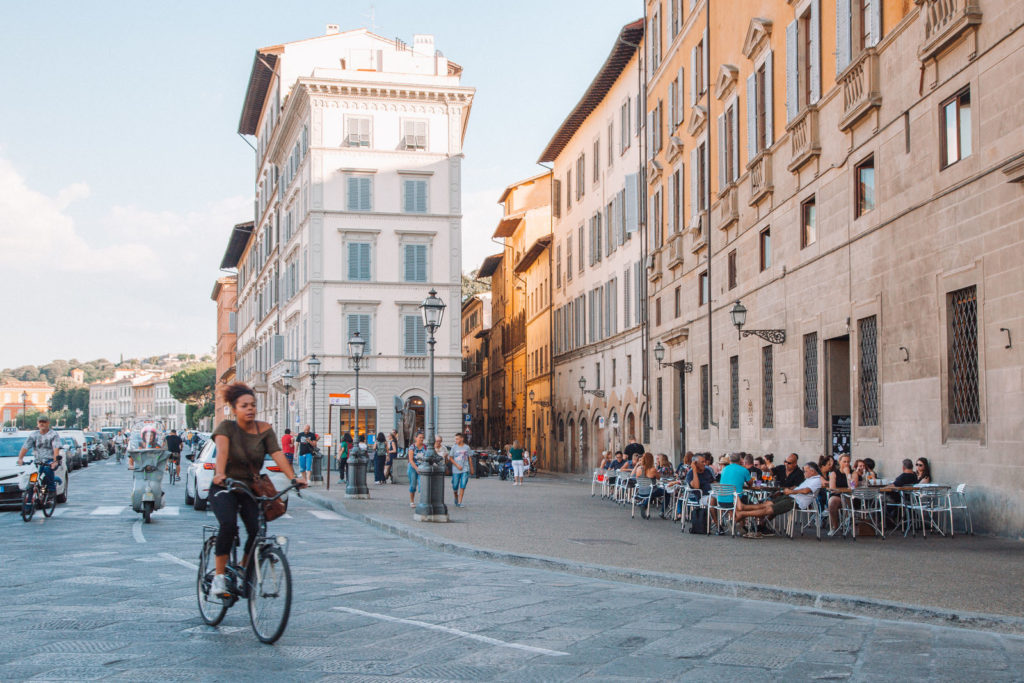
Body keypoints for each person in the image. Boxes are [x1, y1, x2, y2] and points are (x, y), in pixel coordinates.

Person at [207, 383, 303, 601]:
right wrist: (219, 473)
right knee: (228, 525)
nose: (250, 409)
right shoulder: (226, 428)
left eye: (253, 405)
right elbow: (222, 452)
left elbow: (277, 453)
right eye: (244, 406)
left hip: (249, 488)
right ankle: (219, 577)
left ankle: (242, 566)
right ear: (234, 409)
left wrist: (293, 477)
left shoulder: (265, 429)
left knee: (258, 528)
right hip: (225, 486)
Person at [734, 462, 823, 532]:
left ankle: (743, 513)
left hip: (796, 501)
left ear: (812, 471)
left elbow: (806, 490)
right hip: (791, 497)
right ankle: (744, 508)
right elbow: (802, 488)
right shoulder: (810, 479)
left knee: (768, 509)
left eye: (806, 471)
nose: (804, 473)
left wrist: (791, 491)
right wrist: (794, 488)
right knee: (767, 504)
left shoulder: (816, 480)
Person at [17, 416, 61, 495]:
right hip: (38, 461)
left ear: (48, 423)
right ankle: (29, 503)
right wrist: (20, 458)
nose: (42, 424)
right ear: (37, 423)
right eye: (40, 422)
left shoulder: (53, 434)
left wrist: (55, 461)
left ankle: (51, 490)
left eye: (44, 422)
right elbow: (25, 447)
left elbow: (56, 449)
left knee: (47, 470)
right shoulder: (34, 435)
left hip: (49, 460)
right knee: (32, 481)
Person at [828, 454, 853, 533]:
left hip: (850, 496)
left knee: (847, 499)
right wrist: (843, 490)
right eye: (844, 462)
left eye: (848, 462)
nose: (846, 464)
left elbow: (852, 486)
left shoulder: (853, 473)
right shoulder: (834, 473)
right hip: (838, 496)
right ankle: (835, 526)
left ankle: (847, 522)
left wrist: (847, 474)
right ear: (839, 462)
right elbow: (832, 488)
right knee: (832, 502)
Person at [448, 432, 473, 507]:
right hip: (456, 470)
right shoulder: (454, 447)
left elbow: (470, 458)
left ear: (462, 439)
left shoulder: (467, 447)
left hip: (465, 469)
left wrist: (471, 468)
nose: (456, 440)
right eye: (455, 439)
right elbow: (450, 458)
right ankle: (456, 496)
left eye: (457, 439)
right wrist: (457, 465)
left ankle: (459, 502)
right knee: (455, 486)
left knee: (463, 485)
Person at [407, 432, 427, 507]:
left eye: (422, 437)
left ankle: (422, 501)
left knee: (422, 485)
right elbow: (411, 460)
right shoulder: (412, 447)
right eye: (420, 437)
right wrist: (416, 468)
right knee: (413, 485)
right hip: (412, 467)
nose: (422, 439)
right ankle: (412, 501)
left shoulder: (425, 447)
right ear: (416, 438)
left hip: (422, 468)